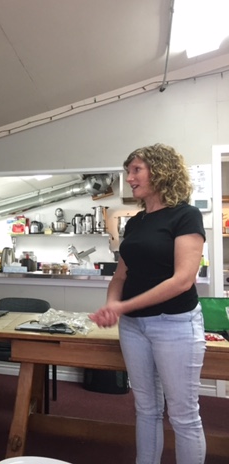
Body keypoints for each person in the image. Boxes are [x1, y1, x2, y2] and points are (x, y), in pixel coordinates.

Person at [89, 144, 206, 464]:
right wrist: (112, 304)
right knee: (146, 408)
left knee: (183, 415)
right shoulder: (136, 222)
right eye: (129, 171)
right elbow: (120, 277)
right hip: (133, 327)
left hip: (175, 323)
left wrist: (122, 307)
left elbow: (182, 280)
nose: (129, 178)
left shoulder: (186, 215)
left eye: (136, 170)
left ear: (161, 171)